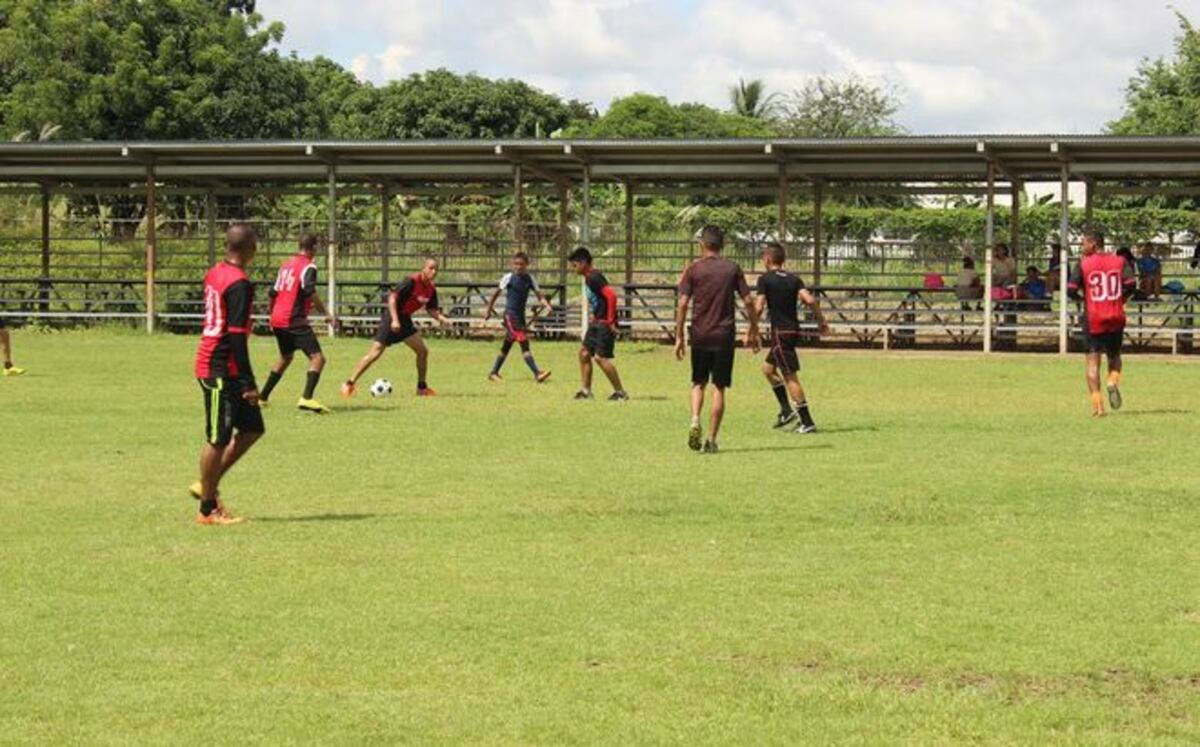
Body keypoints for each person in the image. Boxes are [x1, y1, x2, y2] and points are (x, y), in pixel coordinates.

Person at [189, 224, 264, 525]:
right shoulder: (239, 283)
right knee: (218, 438)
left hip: (225, 365)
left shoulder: (215, 272)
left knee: (252, 428)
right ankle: (207, 509)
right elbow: (235, 336)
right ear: (250, 248)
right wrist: (249, 382)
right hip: (218, 367)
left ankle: (207, 484)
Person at [674, 225, 759, 454]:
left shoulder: (693, 269)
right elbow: (748, 301)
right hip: (724, 336)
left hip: (700, 334)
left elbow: (683, 303)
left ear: (701, 244)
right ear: (723, 245)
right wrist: (754, 328)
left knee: (698, 382)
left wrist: (679, 335)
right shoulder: (732, 269)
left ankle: (694, 418)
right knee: (719, 387)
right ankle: (711, 439)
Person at [341, 258, 451, 398]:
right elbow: (392, 298)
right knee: (374, 354)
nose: (433, 272)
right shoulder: (411, 281)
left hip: (405, 320)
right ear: (424, 268)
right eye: (431, 268)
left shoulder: (431, 289)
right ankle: (349, 384)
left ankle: (421, 388)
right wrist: (394, 320)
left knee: (422, 351)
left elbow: (431, 309)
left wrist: (441, 318)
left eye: (436, 269)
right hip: (392, 318)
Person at [754, 242, 828, 433]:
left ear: (767, 259)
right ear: (783, 259)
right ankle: (786, 411)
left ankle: (807, 421)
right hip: (793, 331)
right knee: (768, 369)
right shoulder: (794, 279)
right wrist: (821, 321)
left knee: (790, 376)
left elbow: (759, 306)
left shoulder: (765, 279)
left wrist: (751, 328)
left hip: (780, 333)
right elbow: (809, 299)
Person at [259, 233, 337, 412]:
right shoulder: (308, 266)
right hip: (293, 319)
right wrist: (326, 314)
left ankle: (262, 398)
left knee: (286, 357)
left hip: (278, 319)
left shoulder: (286, 265)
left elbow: (272, 293)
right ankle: (306, 398)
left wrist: (272, 313)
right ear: (314, 247)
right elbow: (309, 290)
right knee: (318, 358)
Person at [1067, 229, 1135, 417]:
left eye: (1084, 244)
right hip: (1116, 316)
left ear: (1093, 244)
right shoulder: (1120, 261)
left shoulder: (1084, 264)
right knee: (1114, 356)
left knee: (1092, 362)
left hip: (1094, 317)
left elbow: (1070, 289)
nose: (1082, 247)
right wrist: (1121, 300)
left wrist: (1084, 299)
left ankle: (1098, 407)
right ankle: (1113, 380)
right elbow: (1131, 285)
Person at [483, 251, 554, 383]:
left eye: (521, 264)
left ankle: (493, 372)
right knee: (523, 342)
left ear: (527, 265)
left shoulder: (530, 279)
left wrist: (547, 306)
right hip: (510, 315)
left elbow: (540, 296)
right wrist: (489, 309)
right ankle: (537, 373)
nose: (518, 267)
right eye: (516, 264)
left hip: (520, 317)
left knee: (507, 345)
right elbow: (496, 294)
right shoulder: (509, 277)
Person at [569, 247, 628, 401]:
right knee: (584, 353)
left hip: (604, 323)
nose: (573, 269)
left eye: (575, 265)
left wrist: (610, 321)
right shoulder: (588, 277)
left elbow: (611, 296)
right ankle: (586, 392)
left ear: (583, 263)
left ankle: (620, 392)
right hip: (596, 322)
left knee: (600, 358)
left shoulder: (594, 277)